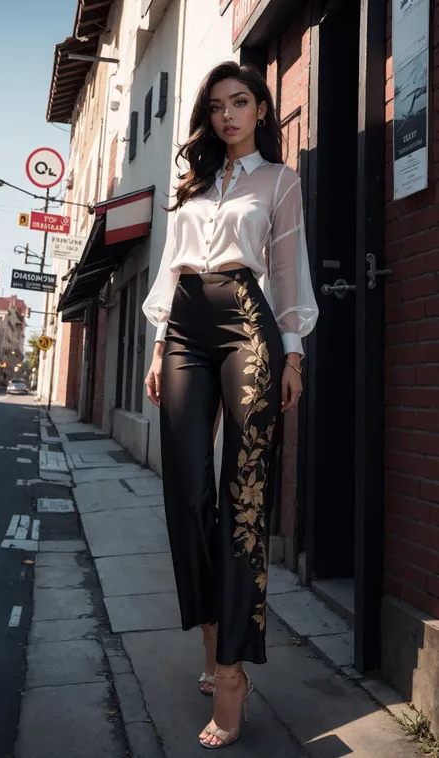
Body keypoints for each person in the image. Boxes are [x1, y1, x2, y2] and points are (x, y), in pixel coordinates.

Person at [142, 61, 318, 749]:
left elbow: (287, 268)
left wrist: (295, 351)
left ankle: (232, 670)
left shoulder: (280, 182)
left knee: (244, 494)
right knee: (187, 488)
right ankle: (213, 627)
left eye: (240, 102)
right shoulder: (193, 180)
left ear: (263, 108)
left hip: (249, 324)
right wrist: (158, 346)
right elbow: (168, 265)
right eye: (216, 106)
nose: (227, 116)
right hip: (185, 323)